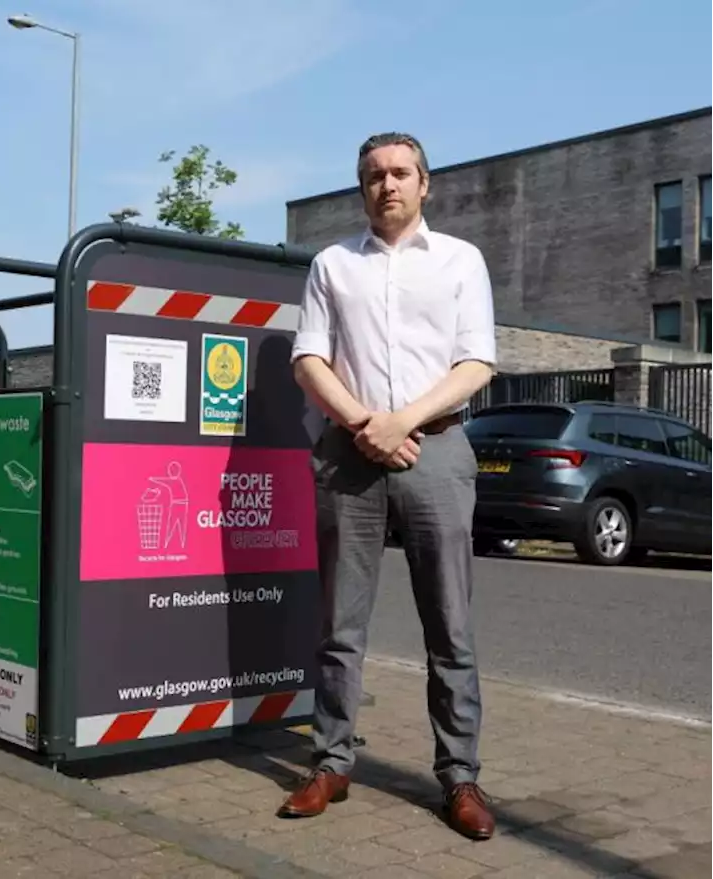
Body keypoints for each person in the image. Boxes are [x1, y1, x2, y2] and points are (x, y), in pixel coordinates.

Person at [281, 132, 498, 841]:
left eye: (401, 173)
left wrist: (402, 419)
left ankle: (459, 776)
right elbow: (309, 358)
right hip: (350, 455)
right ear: (361, 187)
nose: (388, 185)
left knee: (451, 626)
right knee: (340, 626)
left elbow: (476, 363)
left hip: (436, 449)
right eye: (374, 175)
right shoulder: (332, 265)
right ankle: (331, 762)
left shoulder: (462, 260)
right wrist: (364, 423)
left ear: (425, 183)